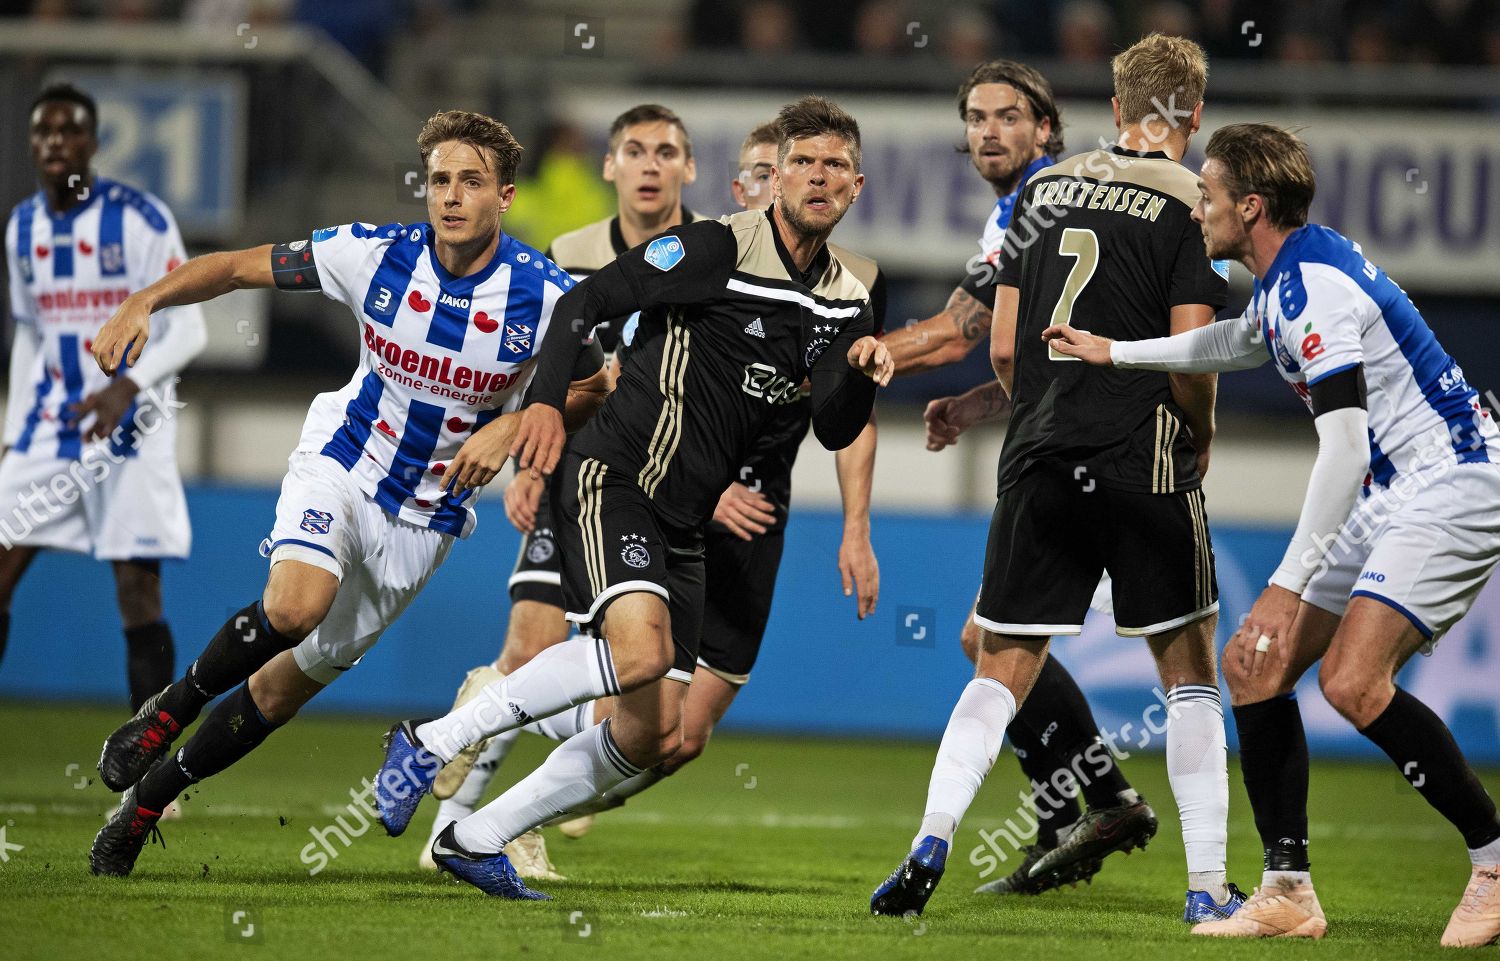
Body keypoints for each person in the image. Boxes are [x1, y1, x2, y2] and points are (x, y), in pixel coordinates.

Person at [372, 96, 894, 900]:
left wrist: (859, 372)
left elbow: (833, 425)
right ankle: (430, 739)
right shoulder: (716, 246)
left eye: (834, 166)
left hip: (683, 518)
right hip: (616, 475)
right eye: (802, 162)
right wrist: (544, 406)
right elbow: (583, 304)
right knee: (641, 654)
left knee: (656, 732)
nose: (817, 177)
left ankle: (474, 837)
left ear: (856, 185)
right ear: (777, 174)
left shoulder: (846, 298)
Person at [84, 109, 609, 878]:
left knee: (281, 688)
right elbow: (233, 266)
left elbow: (598, 381)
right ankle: (168, 708)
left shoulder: (547, 297)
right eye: (438, 181)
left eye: (470, 181)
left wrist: (526, 420)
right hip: (344, 461)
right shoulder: (371, 254)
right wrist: (145, 302)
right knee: (294, 605)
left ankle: (145, 805)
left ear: (505, 194)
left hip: (427, 517)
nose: (451, 196)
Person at [1046, 122, 1500, 947]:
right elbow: (1239, 341)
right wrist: (1116, 352)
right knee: (1253, 667)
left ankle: (1496, 858)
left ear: (1249, 205)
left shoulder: (1313, 287)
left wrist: (1288, 586)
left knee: (1353, 683)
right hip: (1395, 485)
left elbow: (1346, 445)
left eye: (1209, 196)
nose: (1198, 212)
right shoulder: (1290, 271)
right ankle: (1288, 888)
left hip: (1453, 476)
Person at [871, 34, 1240, 922]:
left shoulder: (1041, 190)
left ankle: (930, 840)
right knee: (1187, 677)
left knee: (996, 666)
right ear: (1191, 114)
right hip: (1142, 454)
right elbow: (1191, 350)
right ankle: (1205, 888)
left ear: (1115, 111)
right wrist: (1199, 431)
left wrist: (1025, 412)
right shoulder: (1193, 203)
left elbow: (1002, 345)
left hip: (1038, 453)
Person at [416, 103, 710, 878]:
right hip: (579, 477)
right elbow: (537, 374)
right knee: (531, 644)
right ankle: (458, 825)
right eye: (634, 151)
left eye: (667, 152)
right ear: (608, 166)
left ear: (688, 169)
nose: (650, 166)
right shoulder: (567, 255)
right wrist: (531, 463)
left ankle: (487, 750)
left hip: (667, 493)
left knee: (649, 706)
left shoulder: (716, 255)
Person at [2, 83, 205, 711]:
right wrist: (13, 430)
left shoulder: (139, 219)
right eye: (42, 132)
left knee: (137, 595)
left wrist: (125, 388)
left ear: (92, 142)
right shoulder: (22, 227)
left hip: (131, 427)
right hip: (48, 428)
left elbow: (191, 327)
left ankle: (147, 771)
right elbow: (31, 332)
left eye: (67, 132)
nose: (53, 143)